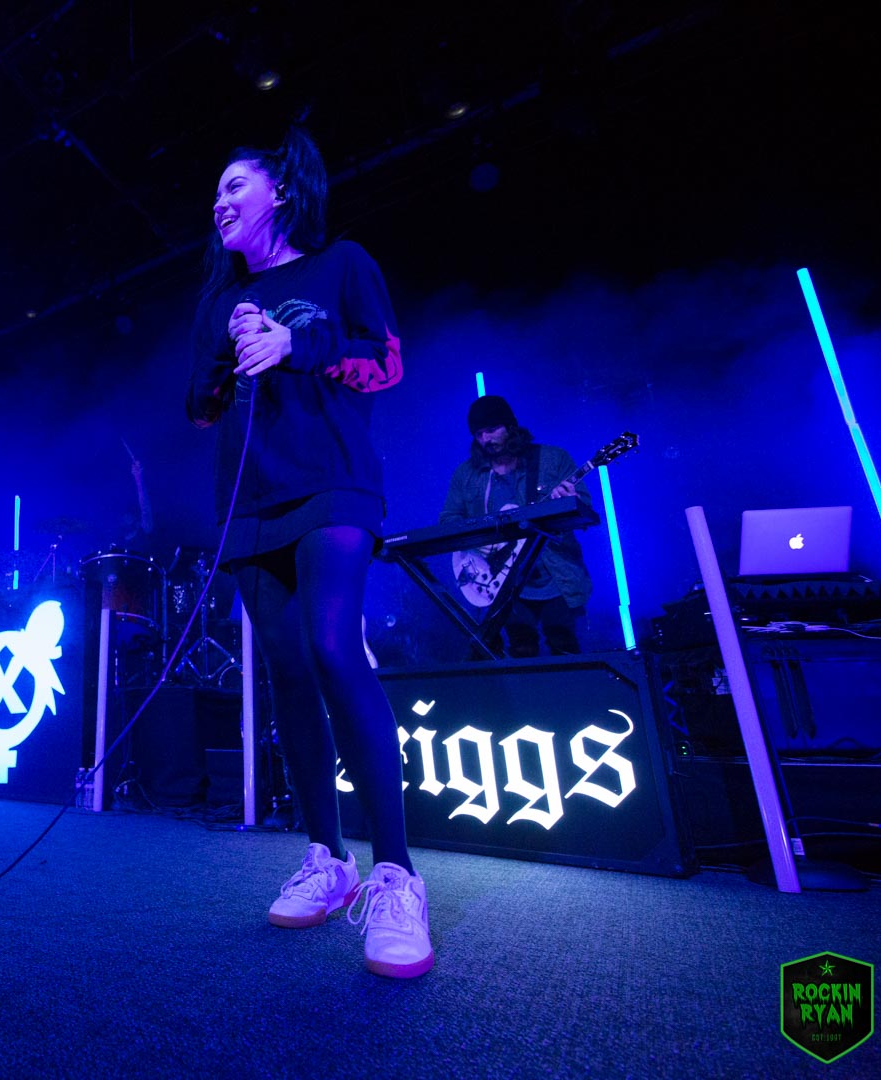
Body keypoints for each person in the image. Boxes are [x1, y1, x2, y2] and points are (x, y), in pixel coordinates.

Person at [186, 127, 430, 978]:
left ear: (280, 191)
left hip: (333, 484)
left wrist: (297, 344)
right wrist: (230, 345)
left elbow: (386, 363)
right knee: (286, 670)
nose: (219, 201)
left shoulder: (342, 264)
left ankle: (396, 875)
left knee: (332, 647)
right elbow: (200, 408)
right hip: (250, 502)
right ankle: (328, 860)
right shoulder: (221, 297)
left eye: (234, 185)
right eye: (216, 191)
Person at [440, 395, 593, 657]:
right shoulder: (466, 474)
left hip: (555, 573)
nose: (486, 439)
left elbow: (585, 508)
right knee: (521, 649)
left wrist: (570, 501)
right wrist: (479, 540)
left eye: (492, 430)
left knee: (564, 645)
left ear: (510, 426)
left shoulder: (552, 459)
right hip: (503, 580)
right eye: (478, 434)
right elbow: (448, 520)